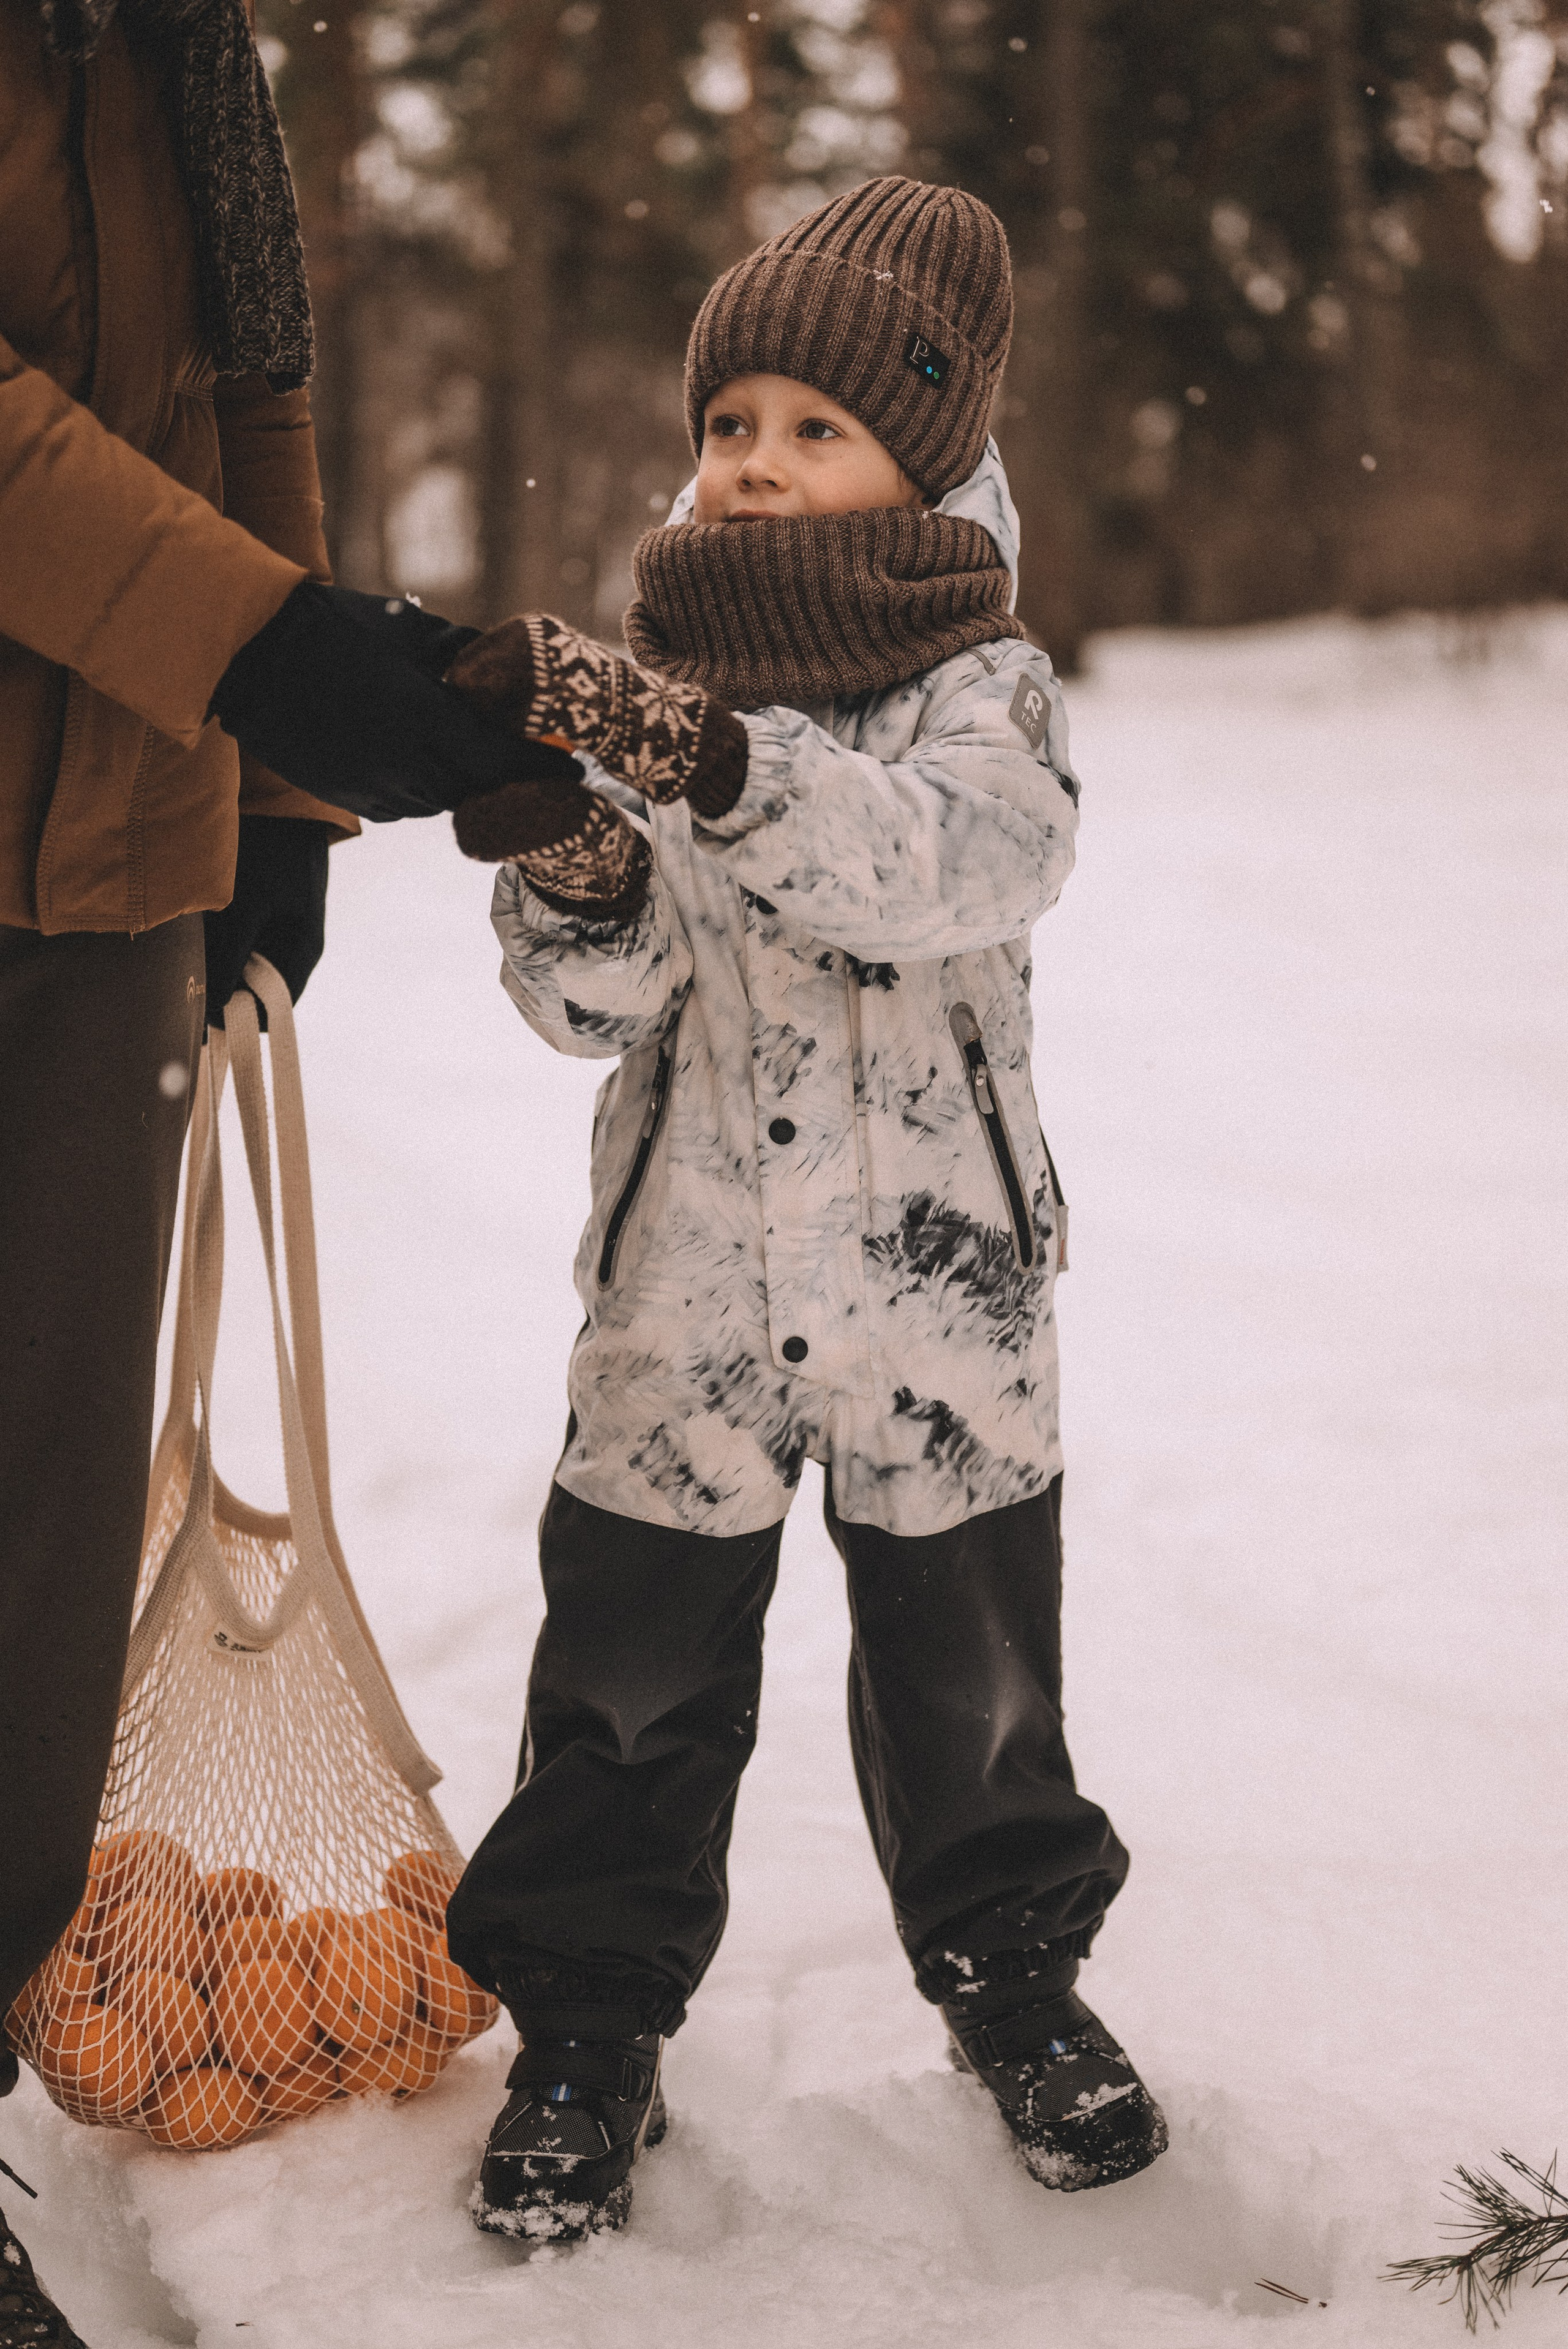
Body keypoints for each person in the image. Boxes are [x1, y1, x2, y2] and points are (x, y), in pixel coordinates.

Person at [437, 175, 1168, 2245]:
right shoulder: (657, 672)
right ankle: (588, 2021)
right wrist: (574, 863)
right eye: (728, 418)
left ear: (921, 454)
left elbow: (953, 866)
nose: (750, 460)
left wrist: (711, 759)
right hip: (688, 1302)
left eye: (810, 424)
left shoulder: (984, 684)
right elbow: (605, 1004)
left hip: (943, 1309)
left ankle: (1015, 1979)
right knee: (632, 1691)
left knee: (978, 1688)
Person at [0, 6, 578, 2338]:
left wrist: (266, 801)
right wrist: (268, 648)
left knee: (35, 1550)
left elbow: (249, 385)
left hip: (112, 876)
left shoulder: (165, 34)